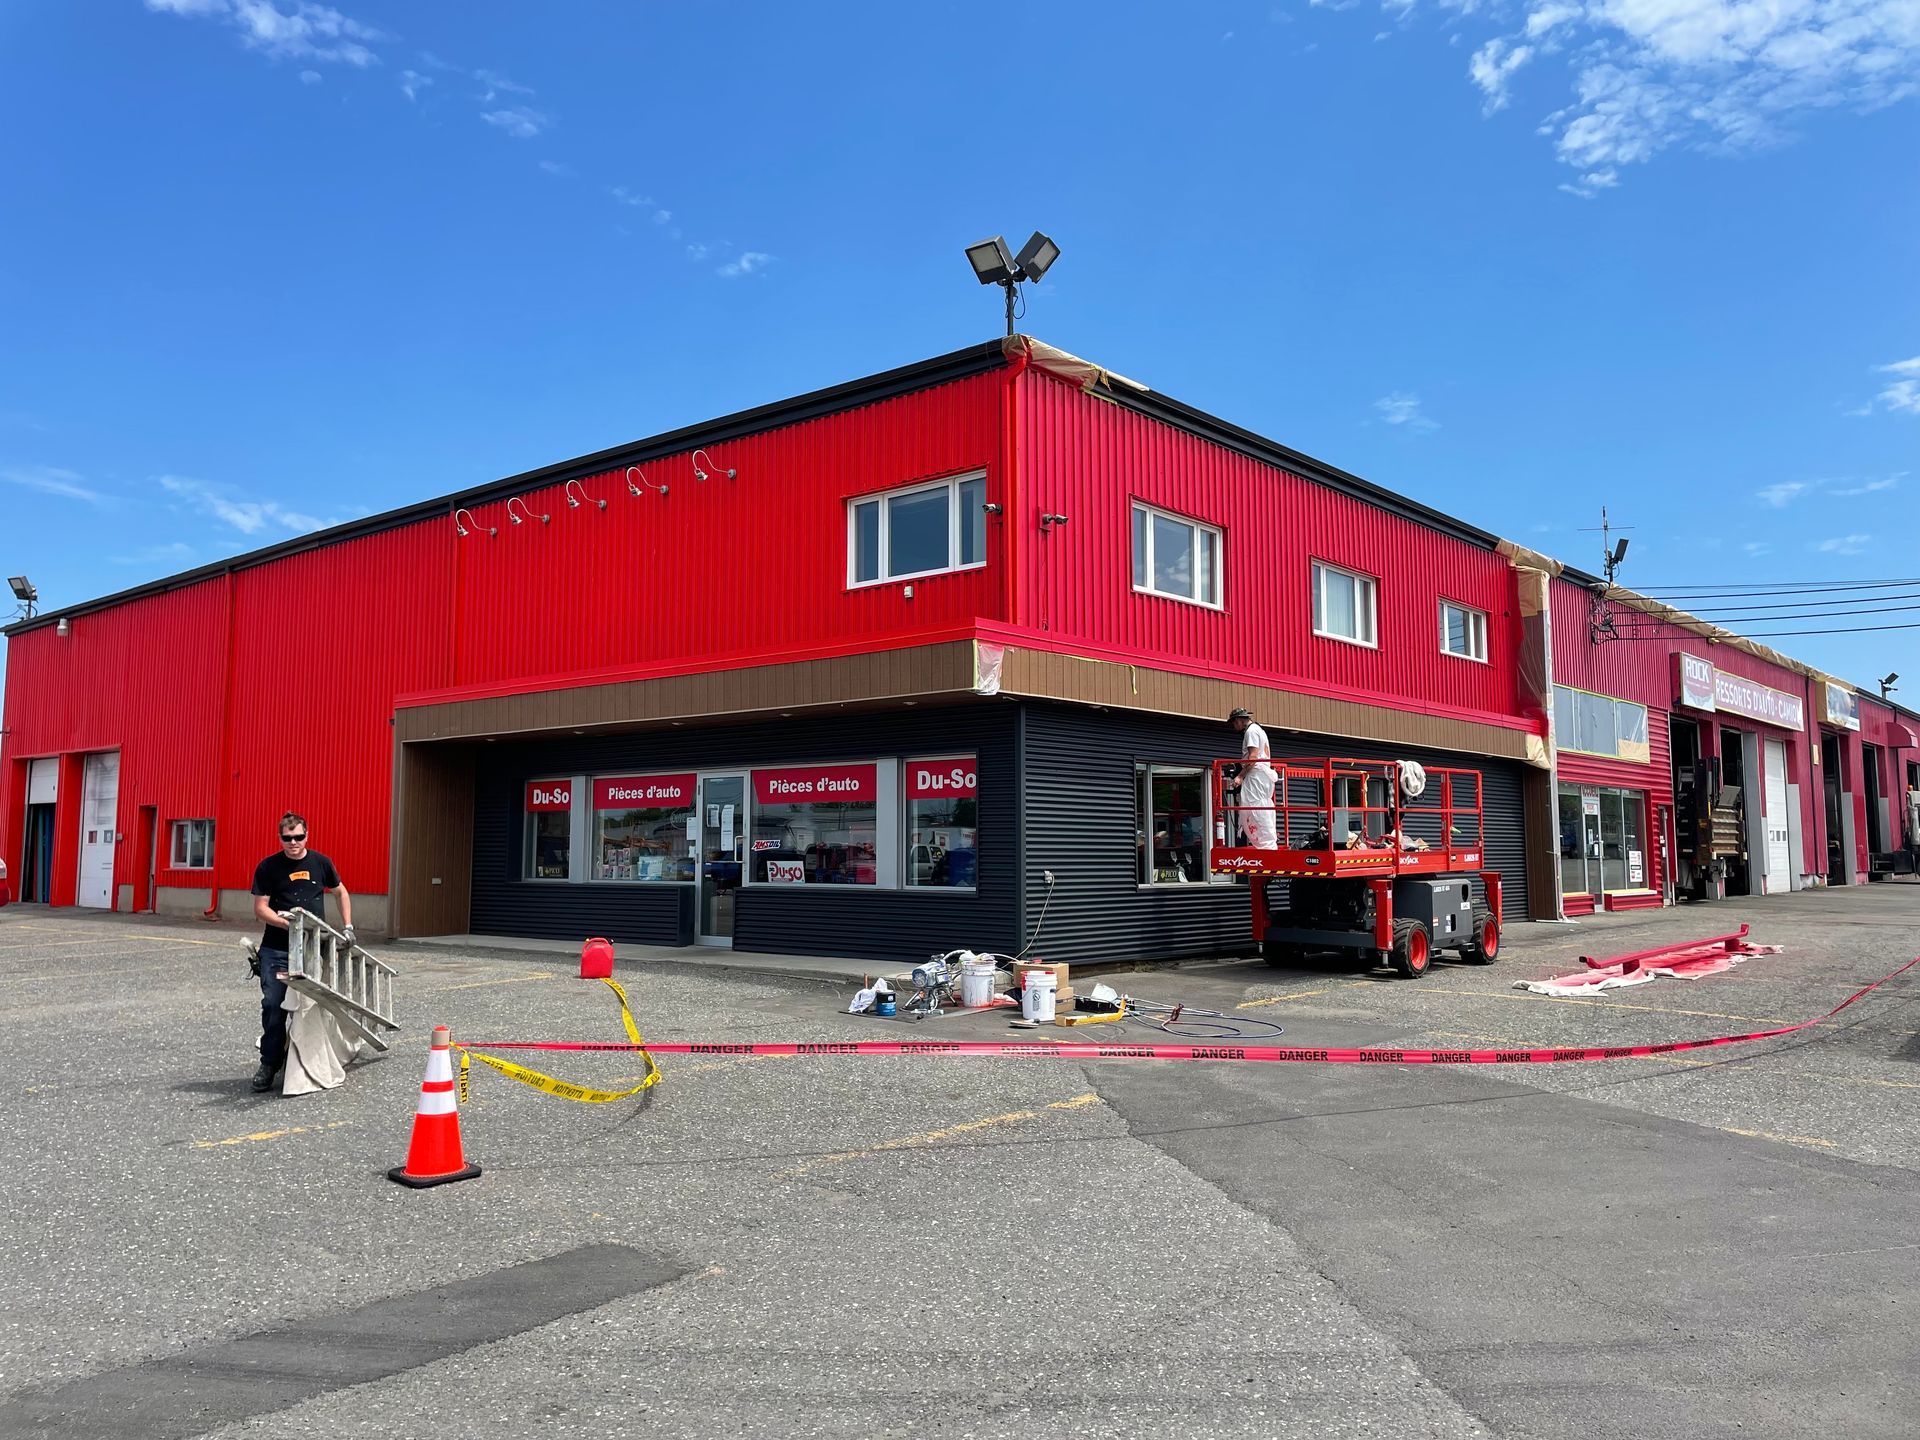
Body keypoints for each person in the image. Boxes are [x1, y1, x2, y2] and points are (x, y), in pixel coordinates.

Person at [250, 812, 353, 1093]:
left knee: (312, 1005)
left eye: (298, 837)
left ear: (307, 836)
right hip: (276, 949)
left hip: (312, 949)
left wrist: (348, 926)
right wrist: (289, 925)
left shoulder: (321, 863)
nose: (293, 842)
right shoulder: (268, 867)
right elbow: (261, 908)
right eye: (287, 838)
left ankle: (311, 1060)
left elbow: (340, 892)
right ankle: (269, 1062)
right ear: (280, 838)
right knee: (274, 1004)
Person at [1229, 707, 1278, 849]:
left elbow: (1253, 757)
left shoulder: (1251, 732)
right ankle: (1267, 843)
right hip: (1263, 776)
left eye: (1234, 723)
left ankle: (1265, 845)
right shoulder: (1259, 730)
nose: (1234, 726)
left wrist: (1240, 776)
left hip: (1256, 775)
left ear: (1239, 720)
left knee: (1254, 807)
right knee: (1262, 806)